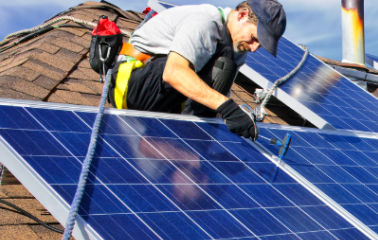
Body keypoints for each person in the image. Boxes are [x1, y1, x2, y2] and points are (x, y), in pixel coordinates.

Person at [109, 0, 286, 141]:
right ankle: (186, 140)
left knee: (227, 60)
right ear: (241, 15)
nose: (254, 48)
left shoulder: (237, 50)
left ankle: (191, 143)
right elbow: (173, 72)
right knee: (222, 60)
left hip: (165, 100)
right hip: (130, 87)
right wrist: (228, 108)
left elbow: (216, 98)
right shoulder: (206, 21)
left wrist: (231, 133)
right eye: (254, 38)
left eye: (259, 45)